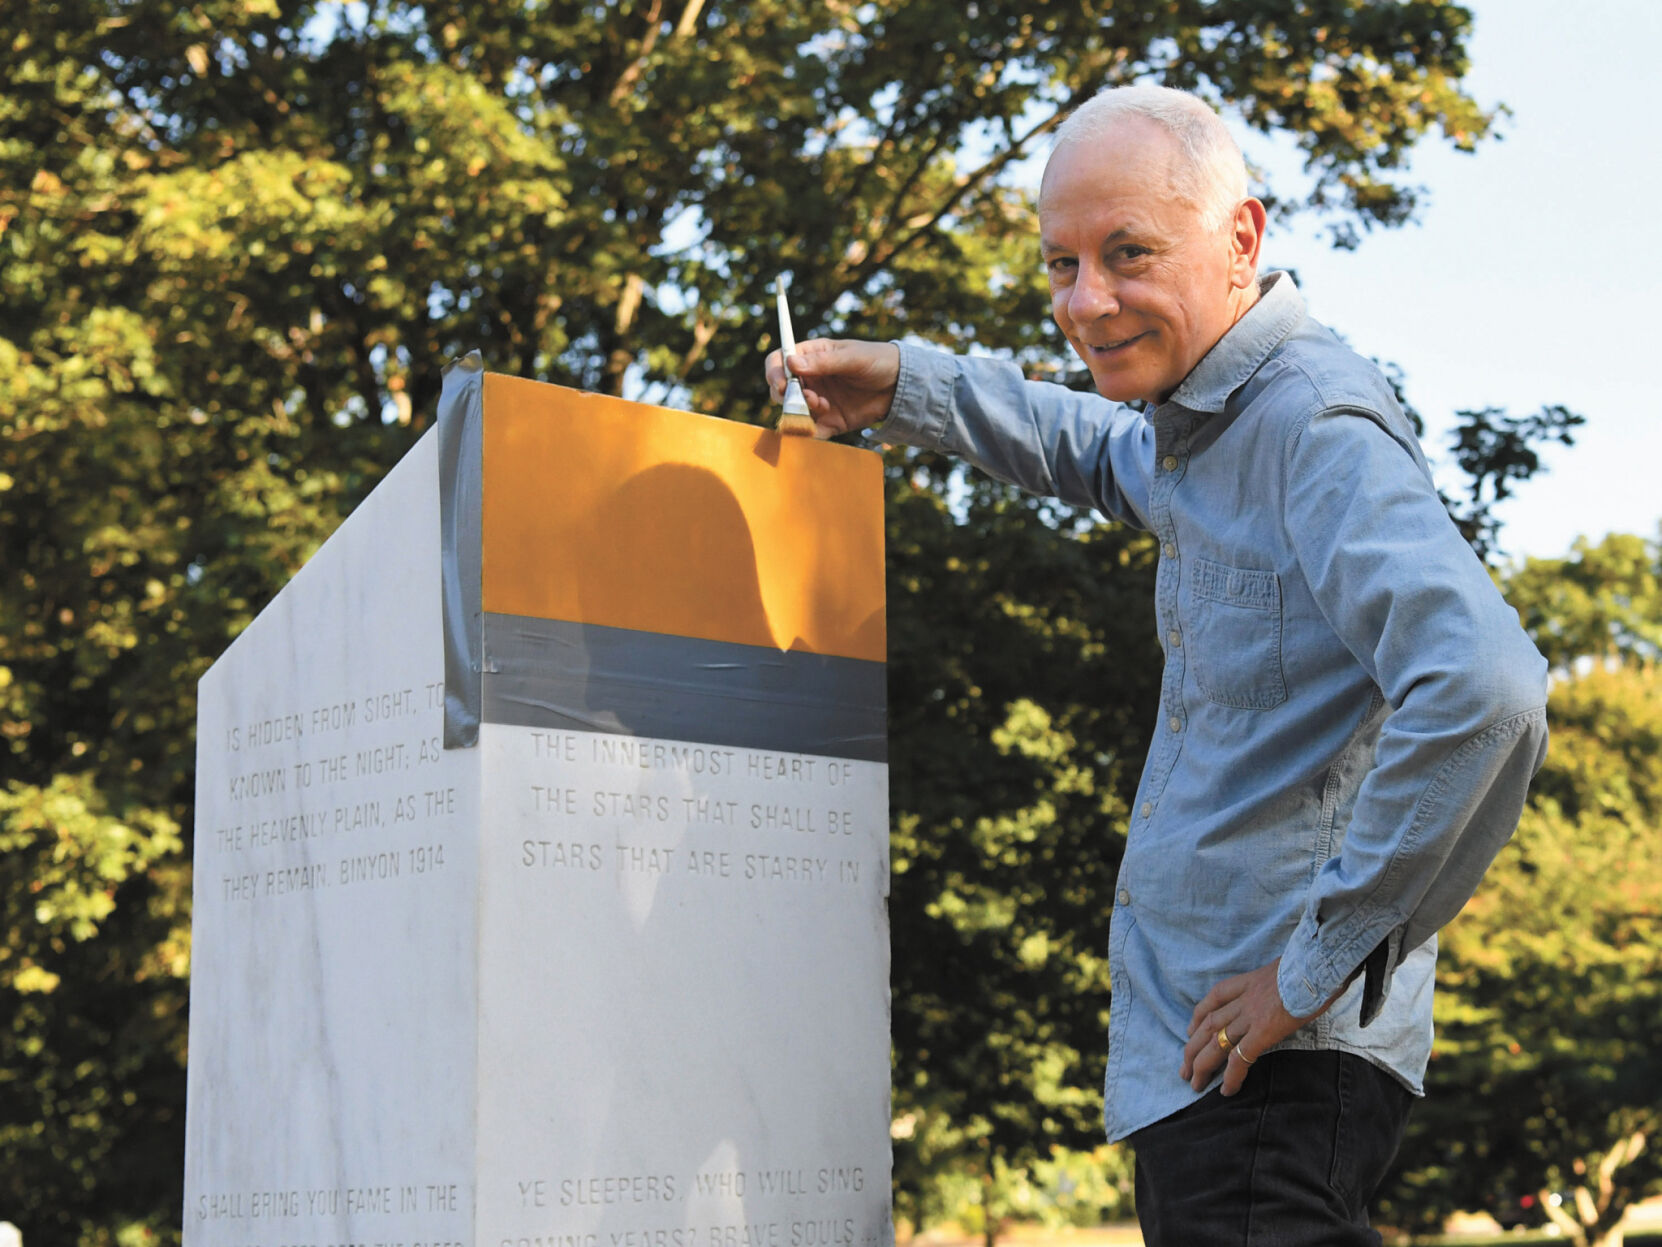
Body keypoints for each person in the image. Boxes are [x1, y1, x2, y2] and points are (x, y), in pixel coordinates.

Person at [766, 85, 1549, 1245]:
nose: (1087, 302)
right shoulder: (1203, 432)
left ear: (1242, 238)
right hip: (1215, 1068)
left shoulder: (1309, 425)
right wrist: (907, 385)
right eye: (1061, 264)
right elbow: (1086, 444)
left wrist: (1310, 966)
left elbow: (1487, 686)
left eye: (1128, 253)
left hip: (1269, 1070)